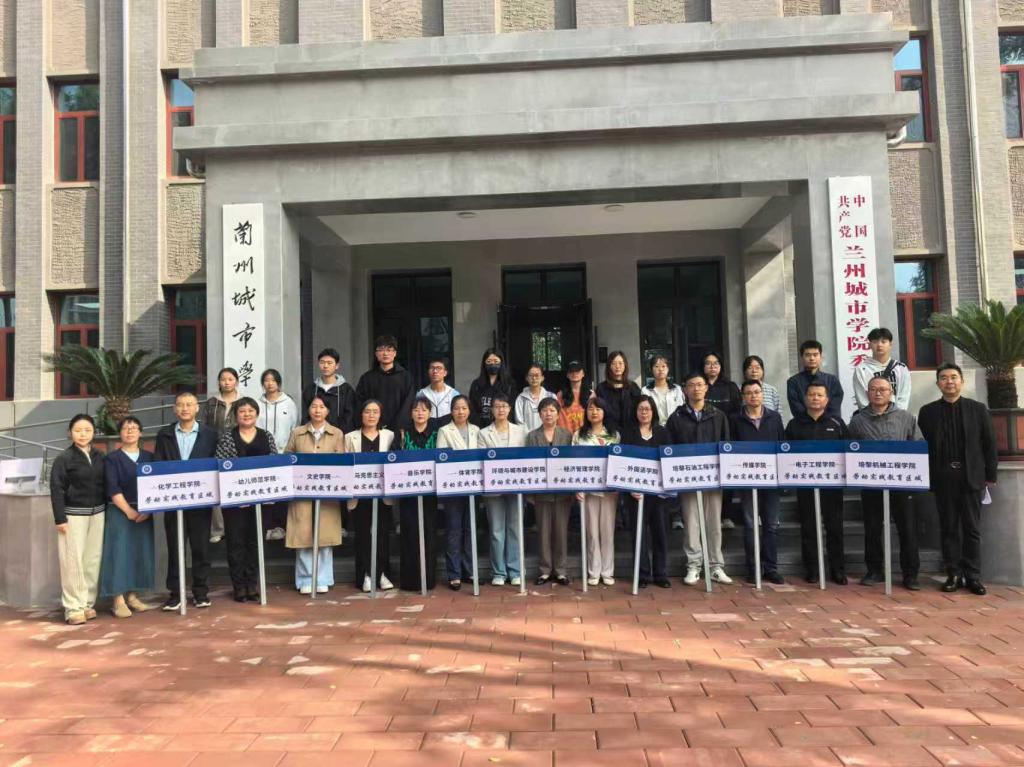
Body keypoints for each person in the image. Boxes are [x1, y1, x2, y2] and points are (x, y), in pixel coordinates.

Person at [918, 363, 997, 595]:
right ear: (938, 383)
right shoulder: (927, 412)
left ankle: (973, 576)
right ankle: (953, 574)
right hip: (943, 477)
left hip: (971, 477)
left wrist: (990, 475)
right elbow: (922, 446)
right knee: (948, 527)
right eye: (944, 378)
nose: (949, 381)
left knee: (972, 529)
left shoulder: (977, 409)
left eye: (953, 377)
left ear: (961, 381)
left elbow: (989, 444)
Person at [848, 376, 923, 591]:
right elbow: (851, 449)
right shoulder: (857, 421)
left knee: (907, 529)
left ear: (891, 393)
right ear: (867, 393)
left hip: (902, 484)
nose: (878, 393)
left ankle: (910, 574)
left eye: (883, 389)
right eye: (873, 389)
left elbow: (918, 445)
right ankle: (874, 570)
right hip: (871, 484)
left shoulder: (905, 417)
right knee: (872, 529)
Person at [154, 391, 219, 611]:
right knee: (175, 548)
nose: (185, 408)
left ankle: (201, 592)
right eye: (180, 404)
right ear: (175, 409)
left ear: (197, 408)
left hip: (201, 501)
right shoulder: (165, 435)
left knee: (201, 548)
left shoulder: (210, 435)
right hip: (173, 500)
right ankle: (176, 593)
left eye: (189, 404)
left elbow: (216, 464)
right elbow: (158, 465)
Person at [666, 372, 732, 585]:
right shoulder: (677, 417)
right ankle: (693, 564)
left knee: (713, 523)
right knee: (692, 523)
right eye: (691, 385)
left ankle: (715, 566)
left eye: (700, 385)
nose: (696, 388)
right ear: (685, 389)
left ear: (706, 388)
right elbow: (670, 449)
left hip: (713, 479)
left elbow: (726, 445)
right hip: (687, 478)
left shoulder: (718, 415)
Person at [214, 397, 278, 602]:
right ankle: (239, 586)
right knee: (236, 543)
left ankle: (252, 584)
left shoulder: (266, 436)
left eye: (251, 410)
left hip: (261, 501)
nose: (247, 414)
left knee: (256, 542)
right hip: (235, 502)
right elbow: (221, 465)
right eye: (242, 411)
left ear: (257, 413)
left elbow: (274, 464)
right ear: (236, 415)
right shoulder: (228, 437)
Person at [785, 380, 849, 585]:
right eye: (811, 395)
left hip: (832, 486)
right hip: (805, 485)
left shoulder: (837, 423)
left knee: (834, 528)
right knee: (809, 528)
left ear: (827, 399)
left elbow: (848, 452)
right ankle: (812, 569)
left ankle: (837, 570)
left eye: (820, 395)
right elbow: (786, 455)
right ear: (805, 399)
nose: (815, 398)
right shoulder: (794, 424)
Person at [284, 395, 345, 595]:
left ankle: (323, 578)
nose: (318, 410)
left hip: (327, 492)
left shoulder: (337, 433)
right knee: (303, 536)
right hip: (302, 492)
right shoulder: (297, 433)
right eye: (314, 406)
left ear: (328, 411)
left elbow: (342, 463)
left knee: (325, 536)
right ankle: (305, 579)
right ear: (308, 410)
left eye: (322, 407)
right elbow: (287, 458)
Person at [50, 414, 107, 625]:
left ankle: (87, 603)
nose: (83, 434)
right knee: (72, 561)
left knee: (92, 560)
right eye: (78, 430)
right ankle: (73, 607)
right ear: (70, 433)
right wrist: (60, 519)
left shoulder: (100, 456)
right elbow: (56, 489)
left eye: (87, 430)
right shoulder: (64, 459)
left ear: (94, 432)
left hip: (98, 513)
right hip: (73, 516)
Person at [730, 380, 785, 585]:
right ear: (743, 397)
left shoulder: (774, 417)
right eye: (749, 393)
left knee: (771, 525)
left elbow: (782, 445)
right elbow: (731, 449)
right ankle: (753, 568)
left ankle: (771, 568)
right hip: (747, 480)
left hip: (771, 480)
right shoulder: (735, 419)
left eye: (757, 392)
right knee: (751, 525)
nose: (754, 396)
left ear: (762, 394)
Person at [100, 416, 155, 618]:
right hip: (120, 512)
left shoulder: (149, 457)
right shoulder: (112, 459)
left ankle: (132, 596)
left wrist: (148, 510)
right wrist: (129, 511)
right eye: (125, 428)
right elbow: (113, 488)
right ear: (120, 433)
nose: (130, 431)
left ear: (141, 432)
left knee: (140, 553)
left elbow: (156, 485)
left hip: (145, 512)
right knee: (118, 553)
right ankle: (118, 600)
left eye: (134, 428)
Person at [345, 400, 396, 592]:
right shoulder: (350, 437)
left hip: (383, 495)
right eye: (367, 411)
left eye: (375, 412)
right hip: (359, 496)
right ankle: (365, 575)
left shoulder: (389, 435)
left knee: (382, 535)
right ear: (361, 414)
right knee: (362, 536)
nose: (371, 415)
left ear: (380, 415)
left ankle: (382, 574)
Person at [622, 395, 671, 589]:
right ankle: (642, 574)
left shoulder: (662, 432)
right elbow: (623, 464)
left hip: (659, 494)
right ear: (635, 412)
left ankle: (660, 573)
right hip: (636, 493)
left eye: (648, 409)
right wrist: (630, 487)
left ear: (653, 411)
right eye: (641, 409)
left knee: (661, 533)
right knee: (639, 534)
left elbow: (669, 461)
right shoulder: (628, 434)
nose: (644, 412)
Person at [479, 394, 527, 585]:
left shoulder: (520, 432)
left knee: (515, 528)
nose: (501, 409)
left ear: (510, 409)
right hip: (493, 489)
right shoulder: (483, 433)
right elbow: (482, 460)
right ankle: (499, 572)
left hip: (516, 487)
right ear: (491, 410)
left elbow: (525, 459)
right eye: (497, 406)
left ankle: (515, 571)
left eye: (504, 406)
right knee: (496, 530)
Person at [573, 398, 620, 586]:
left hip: (609, 490)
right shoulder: (579, 435)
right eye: (591, 409)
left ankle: (607, 572)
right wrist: (577, 487)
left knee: (607, 532)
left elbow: (619, 462)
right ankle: (593, 571)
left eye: (598, 409)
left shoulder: (614, 435)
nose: (594, 412)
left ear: (604, 412)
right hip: (588, 490)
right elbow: (574, 463)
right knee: (591, 532)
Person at [526, 397, 573, 586]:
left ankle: (560, 571)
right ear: (539, 414)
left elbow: (571, 463)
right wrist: (530, 493)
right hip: (541, 492)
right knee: (543, 532)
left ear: (558, 413)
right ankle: (545, 570)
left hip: (562, 492)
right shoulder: (532, 436)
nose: (548, 414)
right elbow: (529, 465)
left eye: (552, 410)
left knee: (561, 532)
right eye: (544, 410)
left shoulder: (567, 435)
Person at [437, 394, 481, 590]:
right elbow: (442, 458)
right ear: (451, 411)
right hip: (453, 488)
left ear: (469, 410)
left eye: (464, 408)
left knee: (470, 530)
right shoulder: (444, 430)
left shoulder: (476, 430)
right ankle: (454, 574)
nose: (460, 412)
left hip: (473, 486)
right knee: (453, 531)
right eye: (456, 408)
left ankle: (470, 571)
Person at [398, 397, 440, 591]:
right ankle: (410, 581)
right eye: (416, 409)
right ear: (411, 413)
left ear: (430, 413)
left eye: (424, 410)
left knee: (429, 534)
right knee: (409, 534)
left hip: (430, 493)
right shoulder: (402, 434)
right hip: (407, 494)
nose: (420, 413)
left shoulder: (437, 434)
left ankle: (428, 579)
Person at [258, 368, 298, 541]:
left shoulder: (289, 403)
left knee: (281, 490)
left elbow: (294, 427)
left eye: (273, 380)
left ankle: (280, 526)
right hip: (263, 454)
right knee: (266, 490)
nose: (270, 383)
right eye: (266, 380)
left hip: (283, 453)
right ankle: (266, 526)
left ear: (279, 383)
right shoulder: (257, 403)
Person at [202, 367, 241, 544]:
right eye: (223, 379)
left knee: (236, 488)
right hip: (215, 449)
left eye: (230, 379)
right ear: (219, 382)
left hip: (237, 450)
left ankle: (236, 527)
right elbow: (204, 427)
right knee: (216, 489)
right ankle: (218, 529)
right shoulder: (211, 403)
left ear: (236, 381)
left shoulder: (243, 402)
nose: (226, 382)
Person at [355, 335, 416, 432]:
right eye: (381, 350)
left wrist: (399, 426)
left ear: (395, 353)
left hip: (399, 429)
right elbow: (360, 403)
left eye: (389, 350)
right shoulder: (367, 378)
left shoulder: (406, 377)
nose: (385, 353)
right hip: (373, 429)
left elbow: (408, 404)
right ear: (376, 353)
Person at [852, 328, 912, 412]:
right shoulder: (861, 370)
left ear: (890, 344)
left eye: (883, 342)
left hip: (896, 416)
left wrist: (897, 415)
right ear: (869, 345)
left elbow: (904, 396)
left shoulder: (901, 368)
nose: (879, 345)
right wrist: (874, 415)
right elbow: (862, 399)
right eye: (875, 342)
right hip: (871, 417)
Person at [301, 348, 357, 432]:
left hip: (339, 436)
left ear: (337, 365)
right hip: (315, 435)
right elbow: (306, 416)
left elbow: (349, 417)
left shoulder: (346, 390)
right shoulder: (311, 389)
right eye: (322, 362)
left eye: (329, 363)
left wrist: (339, 434)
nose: (325, 366)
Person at [787, 340, 844, 419]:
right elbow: (796, 408)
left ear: (821, 357)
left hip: (829, 423)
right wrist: (812, 420)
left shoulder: (832, 380)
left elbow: (834, 406)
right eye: (808, 355)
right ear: (802, 357)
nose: (812, 358)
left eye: (815, 355)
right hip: (803, 424)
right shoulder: (793, 382)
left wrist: (821, 421)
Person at [595, 351, 641, 433]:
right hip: (608, 432)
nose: (617, 366)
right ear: (609, 366)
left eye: (620, 363)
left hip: (630, 431)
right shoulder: (601, 388)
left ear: (625, 365)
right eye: (614, 363)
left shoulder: (633, 387)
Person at [469, 348, 515, 428]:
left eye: (496, 361)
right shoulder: (476, 385)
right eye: (489, 361)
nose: (492, 364)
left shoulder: (509, 384)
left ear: (501, 363)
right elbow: (472, 408)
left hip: (502, 428)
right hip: (481, 428)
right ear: (484, 364)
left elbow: (512, 409)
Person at [641, 355, 684, 426]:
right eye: (656, 366)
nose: (660, 369)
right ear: (651, 369)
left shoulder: (677, 389)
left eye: (663, 366)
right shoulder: (645, 391)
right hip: (654, 427)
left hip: (675, 427)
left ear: (668, 369)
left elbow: (681, 409)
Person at [515, 364, 556, 432]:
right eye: (531, 375)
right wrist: (529, 436)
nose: (534, 378)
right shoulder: (521, 398)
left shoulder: (551, 396)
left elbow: (555, 418)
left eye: (537, 375)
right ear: (526, 378)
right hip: (528, 436)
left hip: (548, 436)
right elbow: (519, 422)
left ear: (542, 378)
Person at [417, 357, 460, 423]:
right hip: (428, 428)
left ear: (445, 373)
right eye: (432, 368)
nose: (435, 371)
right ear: (428, 372)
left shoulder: (453, 394)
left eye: (439, 368)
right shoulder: (422, 394)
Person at [556, 360, 592, 434]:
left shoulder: (591, 394)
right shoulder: (560, 395)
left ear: (583, 374)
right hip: (566, 434)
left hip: (586, 435)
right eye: (571, 371)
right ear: (567, 375)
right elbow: (559, 417)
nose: (574, 374)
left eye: (577, 371)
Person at [702, 352, 741, 417]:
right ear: (703, 366)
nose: (712, 366)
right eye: (708, 363)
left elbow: (737, 410)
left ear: (721, 366)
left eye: (716, 363)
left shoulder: (730, 386)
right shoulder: (699, 386)